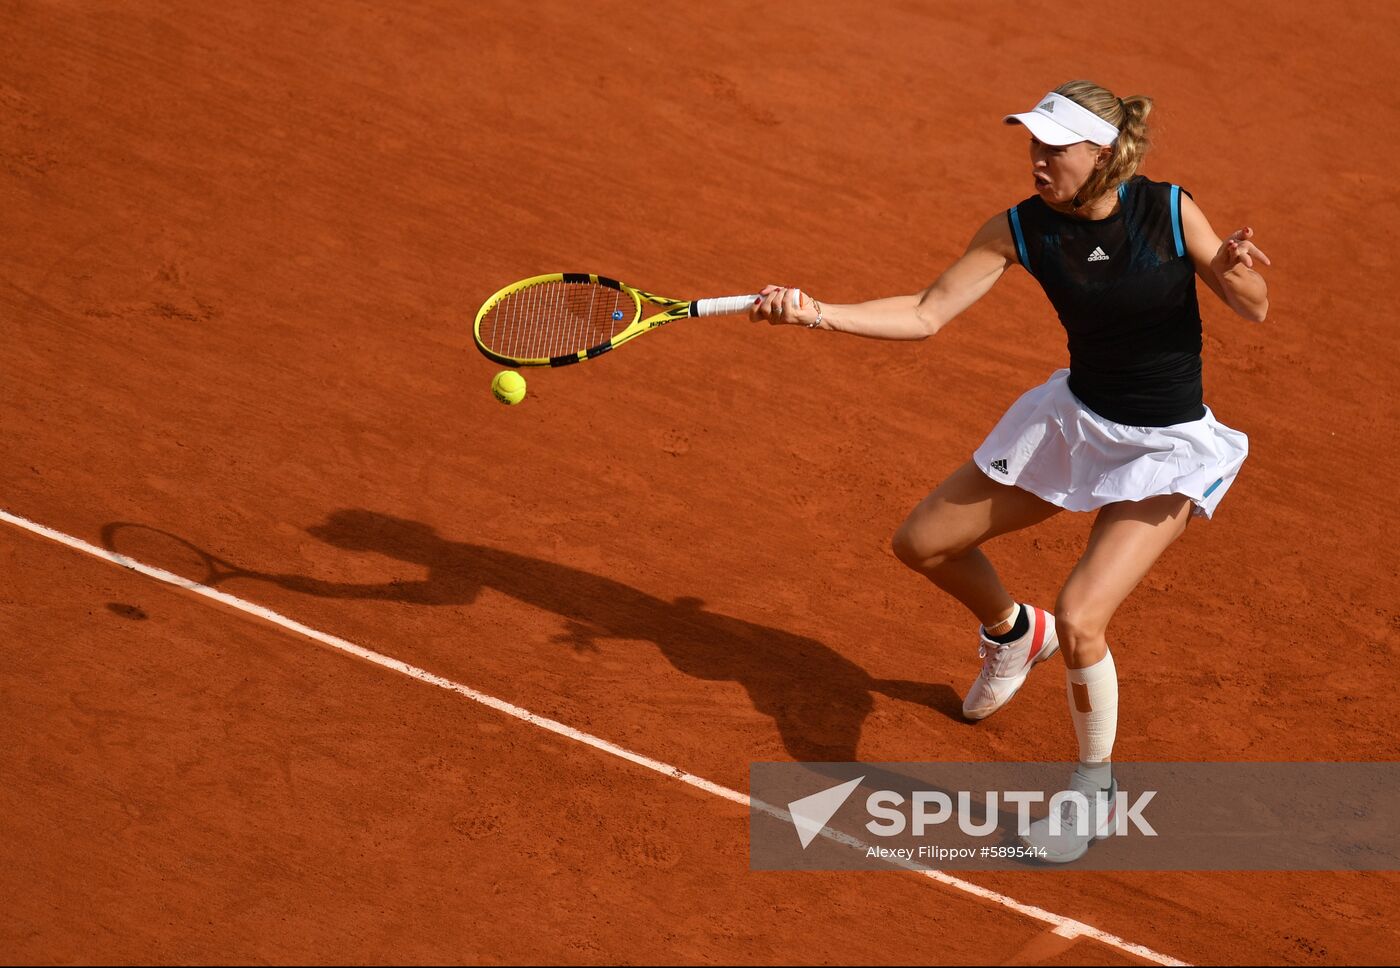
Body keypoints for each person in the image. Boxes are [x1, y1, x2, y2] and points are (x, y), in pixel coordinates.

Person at [750, 80, 1270, 862]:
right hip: (1074, 421)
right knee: (923, 542)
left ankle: (1092, 791)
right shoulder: (1019, 229)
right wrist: (817, 311)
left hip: (1164, 448)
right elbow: (927, 312)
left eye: (1054, 147)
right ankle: (1015, 634)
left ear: (1103, 152)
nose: (1037, 159)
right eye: (1032, 143)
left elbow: (1254, 307)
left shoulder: (1165, 209)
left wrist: (1233, 269)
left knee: (1086, 615)